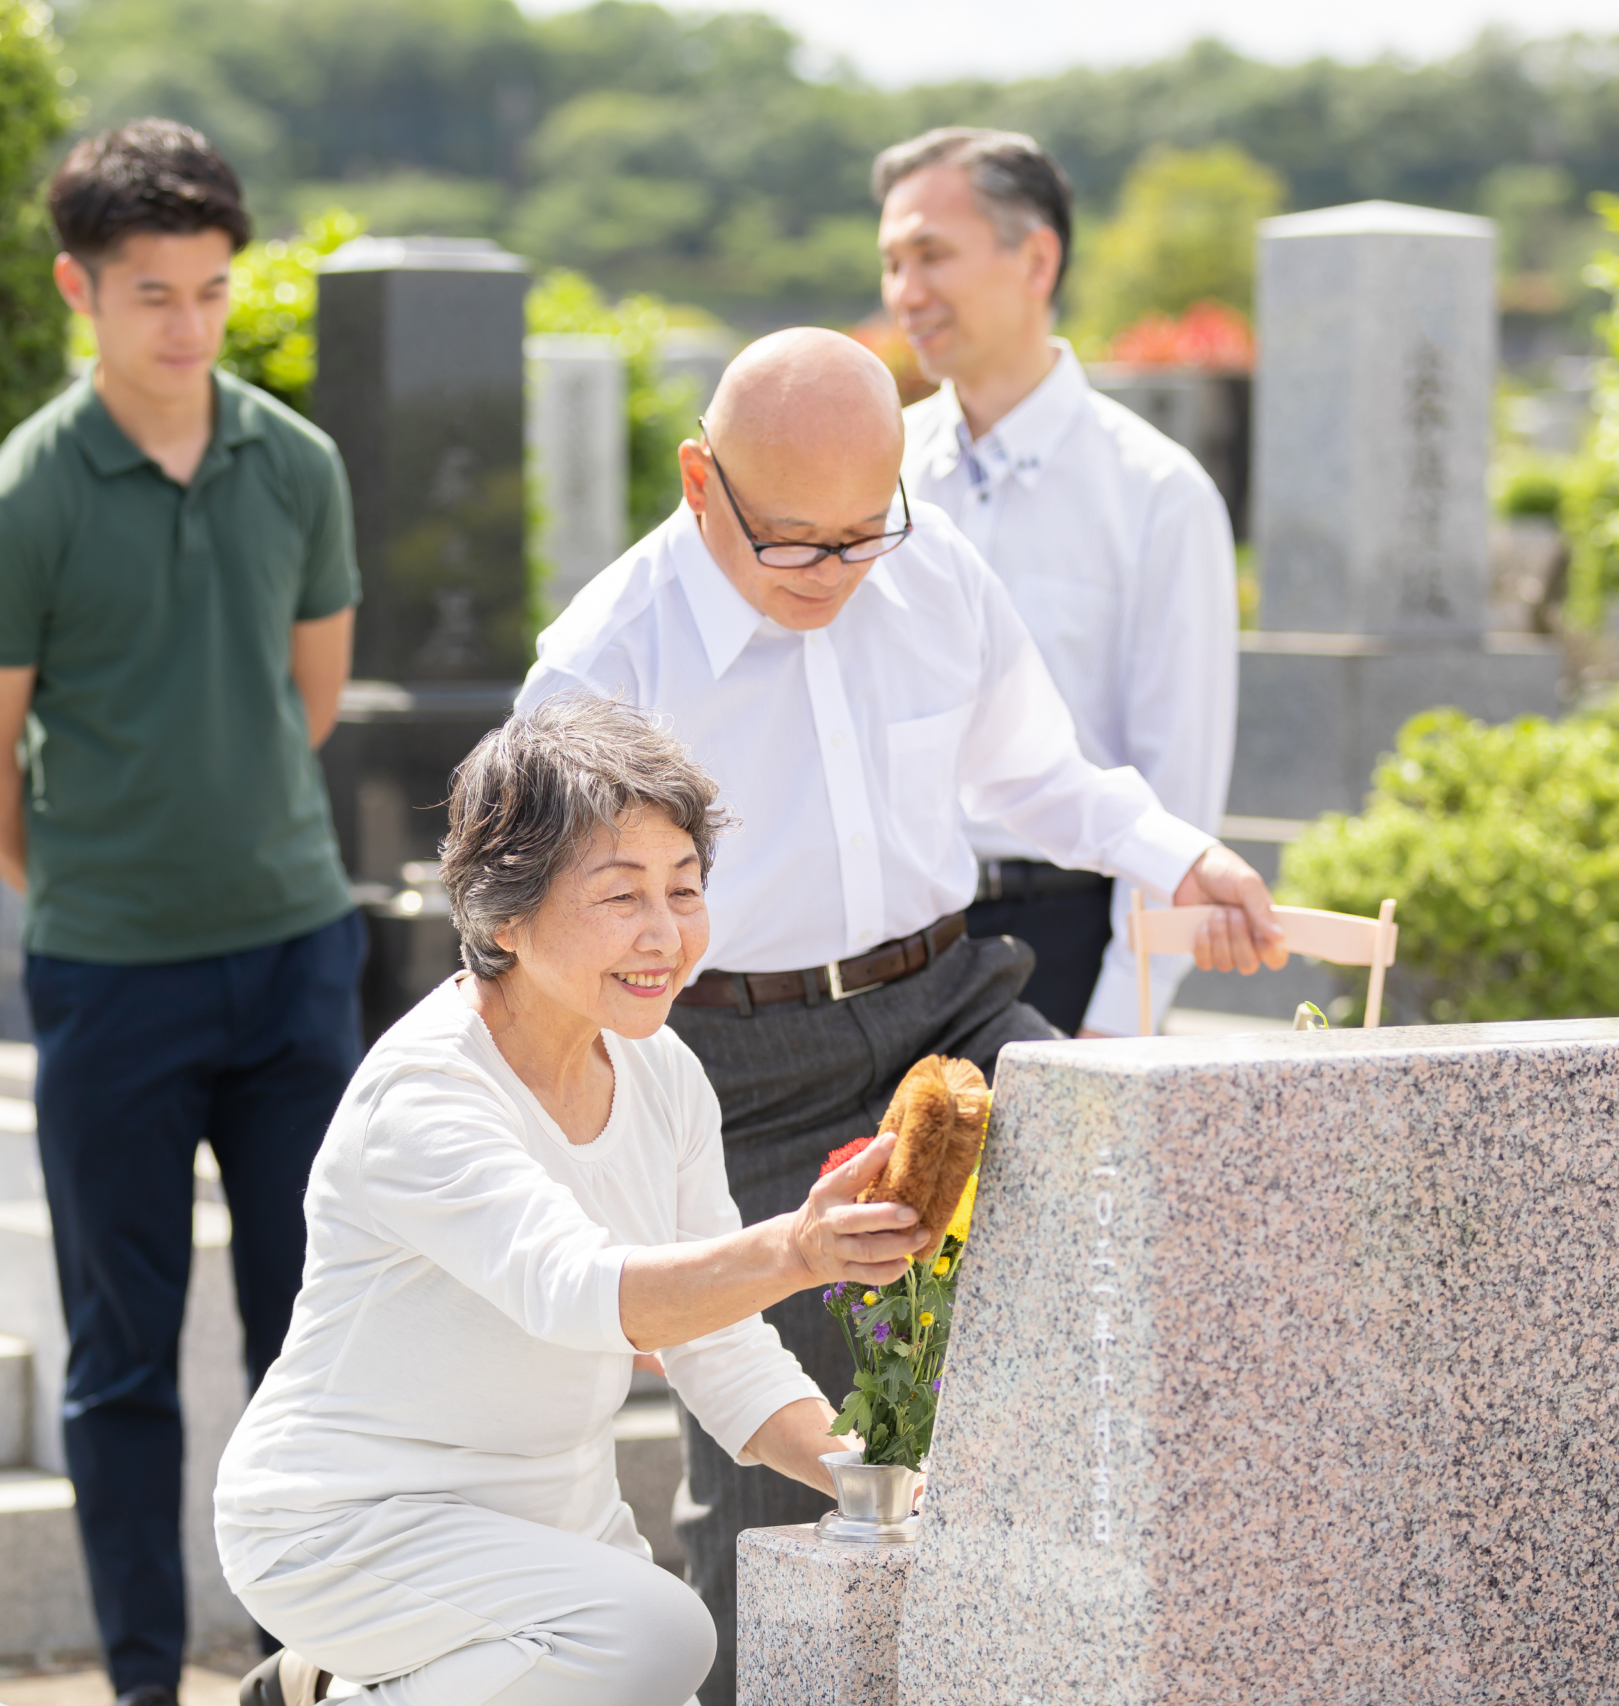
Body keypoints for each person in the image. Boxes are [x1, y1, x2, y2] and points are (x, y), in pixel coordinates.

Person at [516, 326, 1286, 1701]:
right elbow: (533, 948)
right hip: (734, 1066)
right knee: (788, 1474)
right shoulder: (600, 666)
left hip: (949, 1008)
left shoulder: (928, 569)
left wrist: (1180, 853)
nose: (838, 574)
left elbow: (1043, 775)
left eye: (864, 532)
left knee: (1145, 1238)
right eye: (795, 544)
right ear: (702, 483)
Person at [215, 696, 929, 1706]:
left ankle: (328, 1688)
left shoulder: (661, 1066)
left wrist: (892, 1489)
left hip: (556, 1526)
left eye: (683, 889)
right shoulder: (423, 1094)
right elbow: (580, 1289)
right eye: (620, 894)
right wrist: (802, 1249)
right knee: (660, 1634)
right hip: (349, 1520)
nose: (665, 933)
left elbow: (716, 1345)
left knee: (639, 1653)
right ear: (503, 913)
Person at [0, 119, 366, 1706]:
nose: (186, 327)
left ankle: (297, 1662)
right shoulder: (22, 503)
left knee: (309, 1339)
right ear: (80, 289)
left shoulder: (296, 464)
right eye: (149, 295)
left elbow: (307, 702)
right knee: (121, 1358)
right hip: (111, 978)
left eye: (207, 290)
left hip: (297, 961)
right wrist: (104, 889)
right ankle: (138, 1682)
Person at [876, 127, 1240, 1039]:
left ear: (1035, 257)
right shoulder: (875, 471)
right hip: (883, 946)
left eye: (931, 255)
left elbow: (1177, 780)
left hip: (1064, 948)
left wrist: (1124, 1016)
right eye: (890, 263)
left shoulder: (1156, 495)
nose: (904, 293)